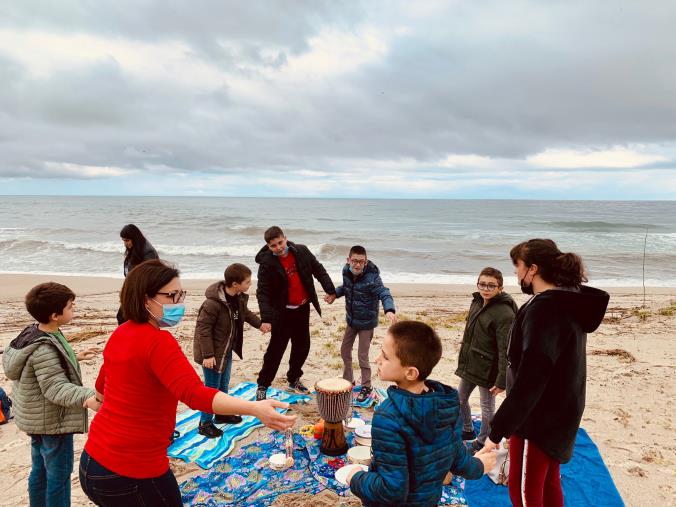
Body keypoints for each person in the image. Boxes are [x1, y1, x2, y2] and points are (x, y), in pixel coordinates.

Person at [80, 260, 296, 506]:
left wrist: (98, 402)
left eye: (180, 294)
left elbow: (101, 390)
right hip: (130, 471)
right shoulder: (158, 343)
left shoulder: (121, 333)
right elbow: (194, 395)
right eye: (171, 296)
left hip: (91, 463)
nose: (179, 303)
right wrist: (254, 409)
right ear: (144, 300)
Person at [478, 239, 609, 507]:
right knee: (548, 482)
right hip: (562, 412)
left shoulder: (546, 309)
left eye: (518, 267)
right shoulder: (568, 299)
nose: (516, 274)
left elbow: (532, 377)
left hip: (536, 419)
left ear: (533, 269)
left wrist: (497, 431)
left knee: (523, 490)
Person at [346, 321, 496, 506]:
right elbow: (458, 460)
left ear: (410, 373)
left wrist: (355, 478)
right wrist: (480, 466)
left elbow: (392, 490)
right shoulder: (447, 404)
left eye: (385, 357)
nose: (376, 359)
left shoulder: (387, 417)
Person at [3, 282, 99, 507]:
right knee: (58, 476)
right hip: (52, 422)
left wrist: (75, 356)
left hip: (36, 419)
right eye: (70, 306)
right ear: (55, 315)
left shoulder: (35, 332)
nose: (74, 308)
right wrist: (88, 398)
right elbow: (55, 387)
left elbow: (49, 365)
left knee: (40, 470)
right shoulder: (44, 349)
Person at [254, 226, 336, 400]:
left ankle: (294, 378)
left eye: (280, 242)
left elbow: (318, 269)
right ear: (268, 246)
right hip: (281, 313)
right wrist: (266, 318)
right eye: (273, 245)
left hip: (302, 308)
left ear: (286, 238)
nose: (278, 247)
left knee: (302, 346)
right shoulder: (267, 264)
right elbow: (262, 292)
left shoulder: (301, 251)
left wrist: (330, 289)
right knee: (276, 350)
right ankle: (263, 385)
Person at [193, 263, 269, 438]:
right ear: (235, 284)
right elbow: (203, 329)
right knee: (211, 389)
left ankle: (221, 413)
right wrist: (208, 355)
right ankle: (204, 423)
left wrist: (260, 325)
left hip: (226, 350)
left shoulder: (238, 297)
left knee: (223, 384)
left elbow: (246, 314)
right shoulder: (212, 304)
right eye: (247, 282)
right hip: (212, 354)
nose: (250, 284)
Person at [454, 267, 517, 453]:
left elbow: (506, 349)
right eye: (483, 284)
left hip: (489, 369)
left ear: (500, 288)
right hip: (471, 363)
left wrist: (501, 379)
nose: (486, 289)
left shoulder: (505, 313)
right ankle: (467, 430)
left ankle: (483, 442)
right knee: (459, 399)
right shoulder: (476, 302)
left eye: (491, 285)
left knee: (487, 407)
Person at [331, 245, 396, 403]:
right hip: (352, 320)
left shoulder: (372, 277)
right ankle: (348, 381)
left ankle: (366, 386)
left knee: (362, 356)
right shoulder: (346, 271)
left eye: (361, 261)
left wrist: (389, 309)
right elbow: (346, 288)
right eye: (354, 261)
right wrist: (334, 294)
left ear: (365, 262)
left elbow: (384, 292)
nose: (357, 265)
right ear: (348, 260)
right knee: (345, 350)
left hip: (366, 323)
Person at [117, 224, 159, 324]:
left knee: (125, 317)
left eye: (127, 240)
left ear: (134, 238)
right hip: (133, 289)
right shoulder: (134, 248)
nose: (125, 243)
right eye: (123, 241)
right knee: (123, 317)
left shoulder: (148, 252)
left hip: (142, 292)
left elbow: (149, 275)